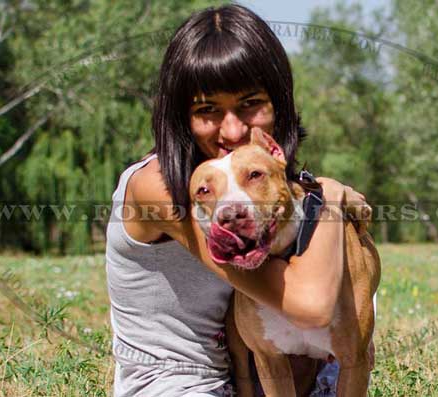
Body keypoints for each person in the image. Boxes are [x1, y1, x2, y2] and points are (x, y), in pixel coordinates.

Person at [105, 4, 369, 396]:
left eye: (250, 104)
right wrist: (328, 194)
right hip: (178, 384)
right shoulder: (158, 188)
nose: (233, 130)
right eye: (207, 110)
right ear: (181, 116)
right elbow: (311, 304)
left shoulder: (261, 182)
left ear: (278, 103)